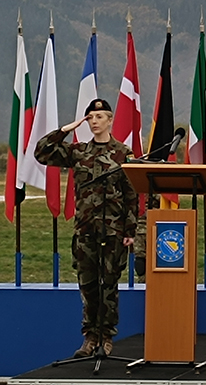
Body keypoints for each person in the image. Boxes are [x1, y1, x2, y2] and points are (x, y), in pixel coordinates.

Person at [34, 98, 138, 358]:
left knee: (109, 284)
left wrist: (130, 231)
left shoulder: (123, 153)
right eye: (90, 117)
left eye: (99, 117)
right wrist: (66, 129)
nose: (94, 122)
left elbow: (131, 194)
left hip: (113, 231)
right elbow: (41, 152)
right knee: (88, 285)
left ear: (110, 120)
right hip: (85, 230)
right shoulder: (78, 152)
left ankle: (106, 336)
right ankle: (90, 337)